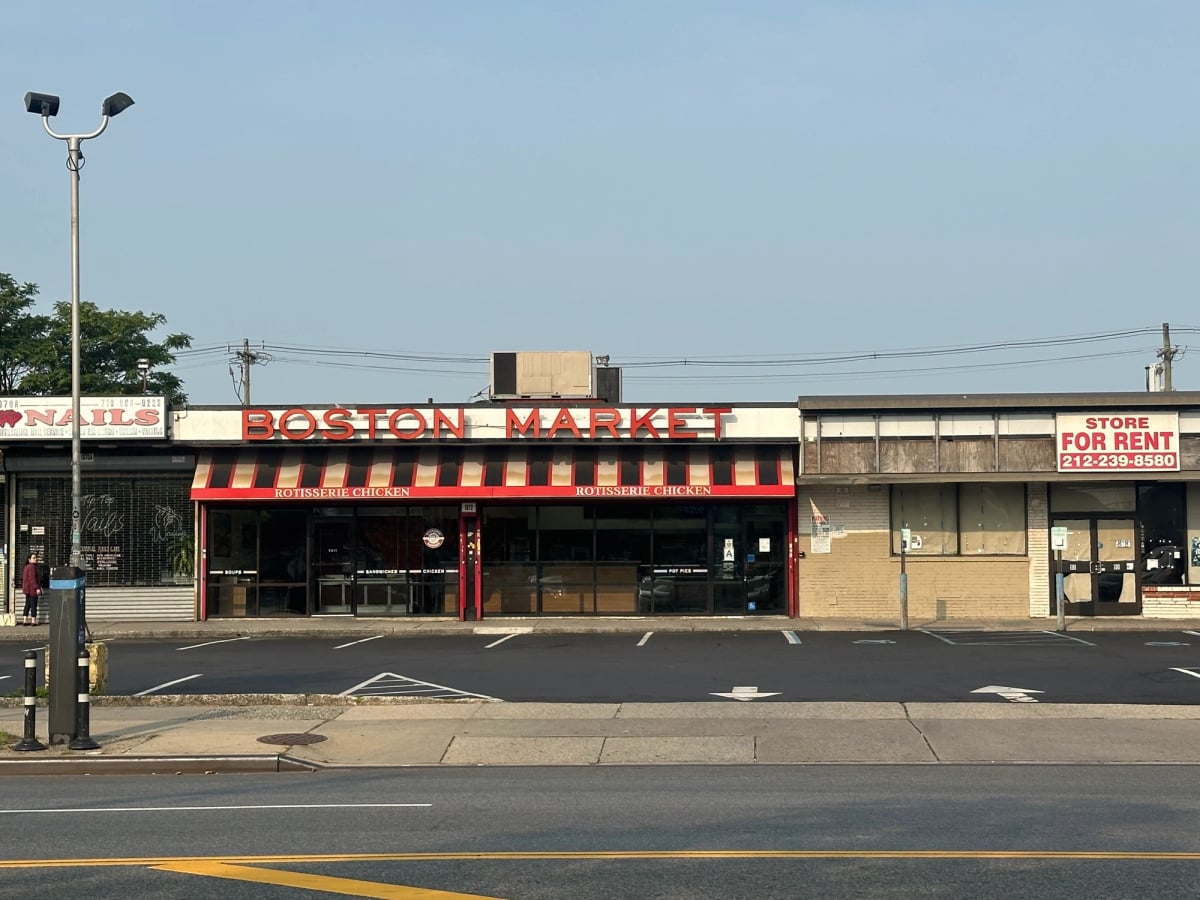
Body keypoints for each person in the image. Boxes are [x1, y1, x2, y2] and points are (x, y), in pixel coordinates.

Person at [21, 553, 42, 626]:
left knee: (27, 604)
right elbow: (32, 579)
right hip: (32, 589)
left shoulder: (26, 567)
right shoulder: (32, 567)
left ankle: (25, 620)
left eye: (35, 557)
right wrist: (37, 588)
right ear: (29, 559)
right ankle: (33, 621)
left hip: (28, 590)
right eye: (34, 558)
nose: (35, 559)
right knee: (33, 605)